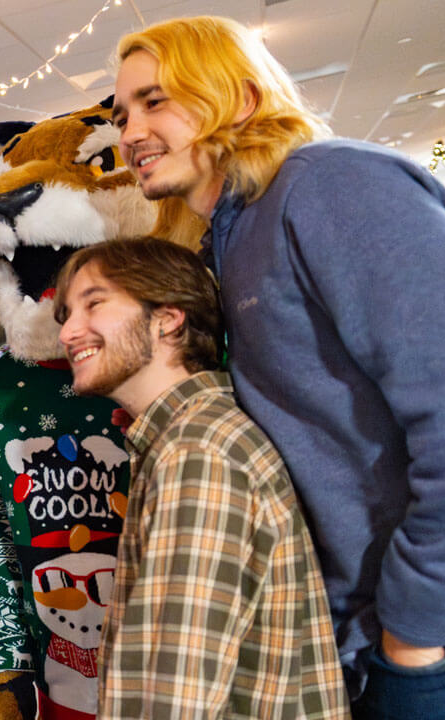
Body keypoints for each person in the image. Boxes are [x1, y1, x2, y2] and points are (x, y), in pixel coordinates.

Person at [111, 17, 445, 718]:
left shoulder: (328, 185)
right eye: (121, 113)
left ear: (237, 100)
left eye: (155, 100)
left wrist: (415, 626)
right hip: (393, 640)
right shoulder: (233, 236)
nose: (130, 130)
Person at [53, 238, 348, 719]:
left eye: (95, 303)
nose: (68, 333)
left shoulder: (197, 452)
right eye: (66, 314)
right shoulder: (188, 436)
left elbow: (175, 695)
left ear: (168, 317)